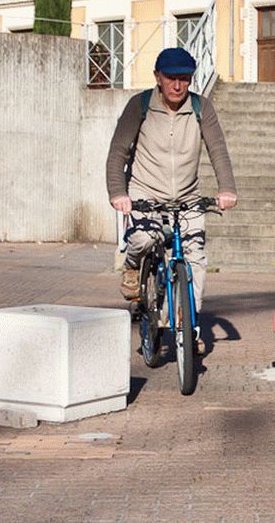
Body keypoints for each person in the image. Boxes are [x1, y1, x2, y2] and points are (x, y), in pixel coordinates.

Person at [105, 48, 237, 351]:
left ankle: (187, 323)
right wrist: (118, 193)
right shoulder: (139, 106)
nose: (178, 85)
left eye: (184, 78)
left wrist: (227, 189)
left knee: (195, 257)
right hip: (145, 191)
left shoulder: (201, 107)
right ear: (158, 77)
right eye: (171, 78)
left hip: (187, 195)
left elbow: (218, 150)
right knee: (144, 239)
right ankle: (132, 266)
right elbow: (118, 152)